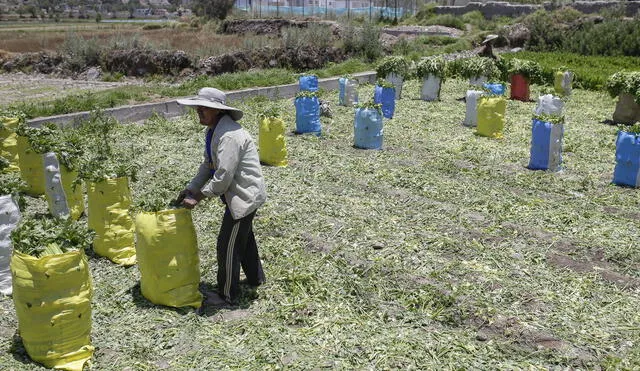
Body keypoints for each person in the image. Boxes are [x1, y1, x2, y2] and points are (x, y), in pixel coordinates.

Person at [176, 87, 267, 306]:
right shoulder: (214, 132)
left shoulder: (229, 136)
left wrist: (199, 196)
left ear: (217, 111)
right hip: (239, 195)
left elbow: (223, 175)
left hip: (244, 197)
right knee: (243, 240)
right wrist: (191, 187)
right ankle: (256, 279)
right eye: (198, 107)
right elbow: (208, 166)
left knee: (227, 245)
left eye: (204, 107)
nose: (199, 111)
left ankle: (227, 294)